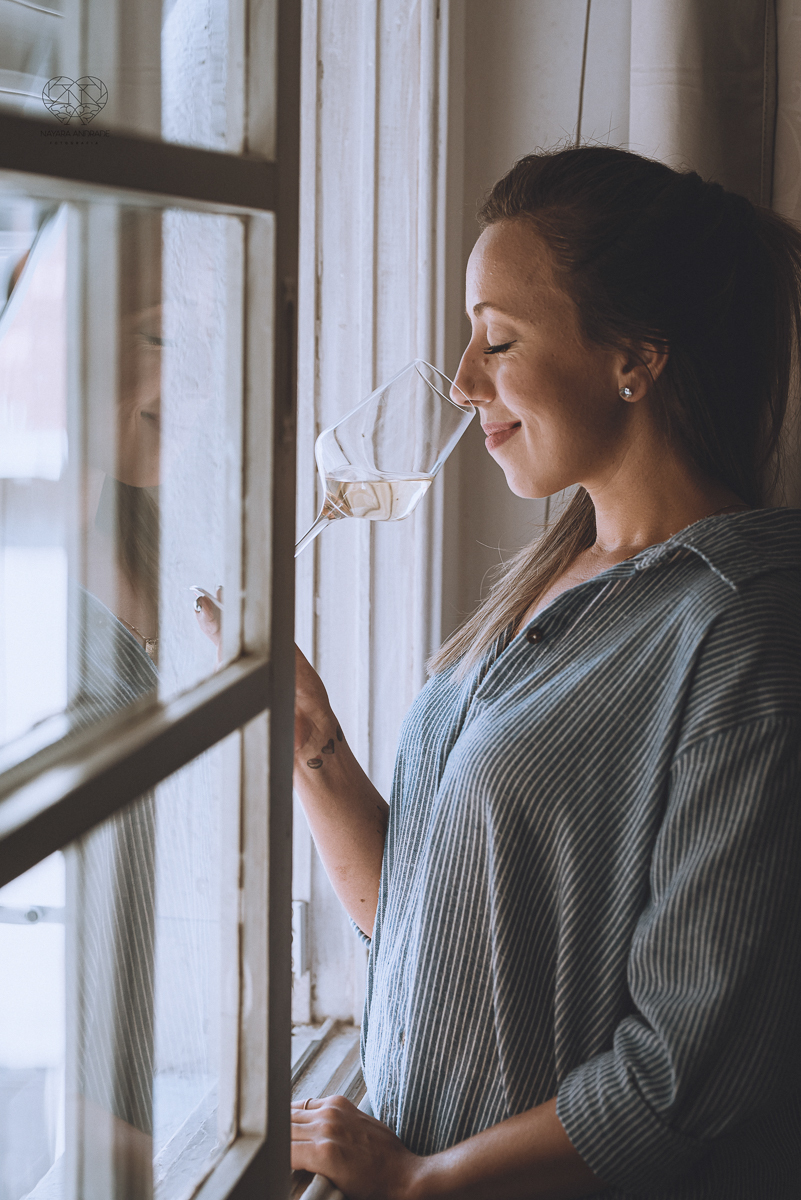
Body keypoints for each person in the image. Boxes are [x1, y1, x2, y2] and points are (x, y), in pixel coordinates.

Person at [289, 146, 801, 1199]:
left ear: (636, 357)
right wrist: (315, 752)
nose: (465, 379)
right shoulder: (551, 575)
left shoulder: (743, 631)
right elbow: (443, 927)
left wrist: (421, 1180)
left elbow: (681, 1076)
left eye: (500, 338)